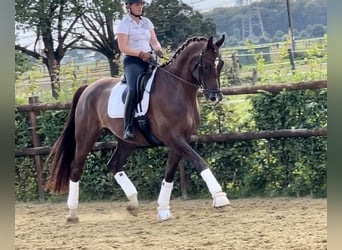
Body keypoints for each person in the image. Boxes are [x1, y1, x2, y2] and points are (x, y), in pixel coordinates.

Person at [116, 0, 164, 140]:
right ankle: (128, 126)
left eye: (141, 4)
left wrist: (158, 50)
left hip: (149, 58)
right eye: (137, 4)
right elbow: (123, 47)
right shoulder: (124, 24)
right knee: (133, 89)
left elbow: (153, 41)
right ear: (128, 6)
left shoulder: (146, 22)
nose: (140, 7)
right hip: (133, 61)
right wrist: (139, 54)